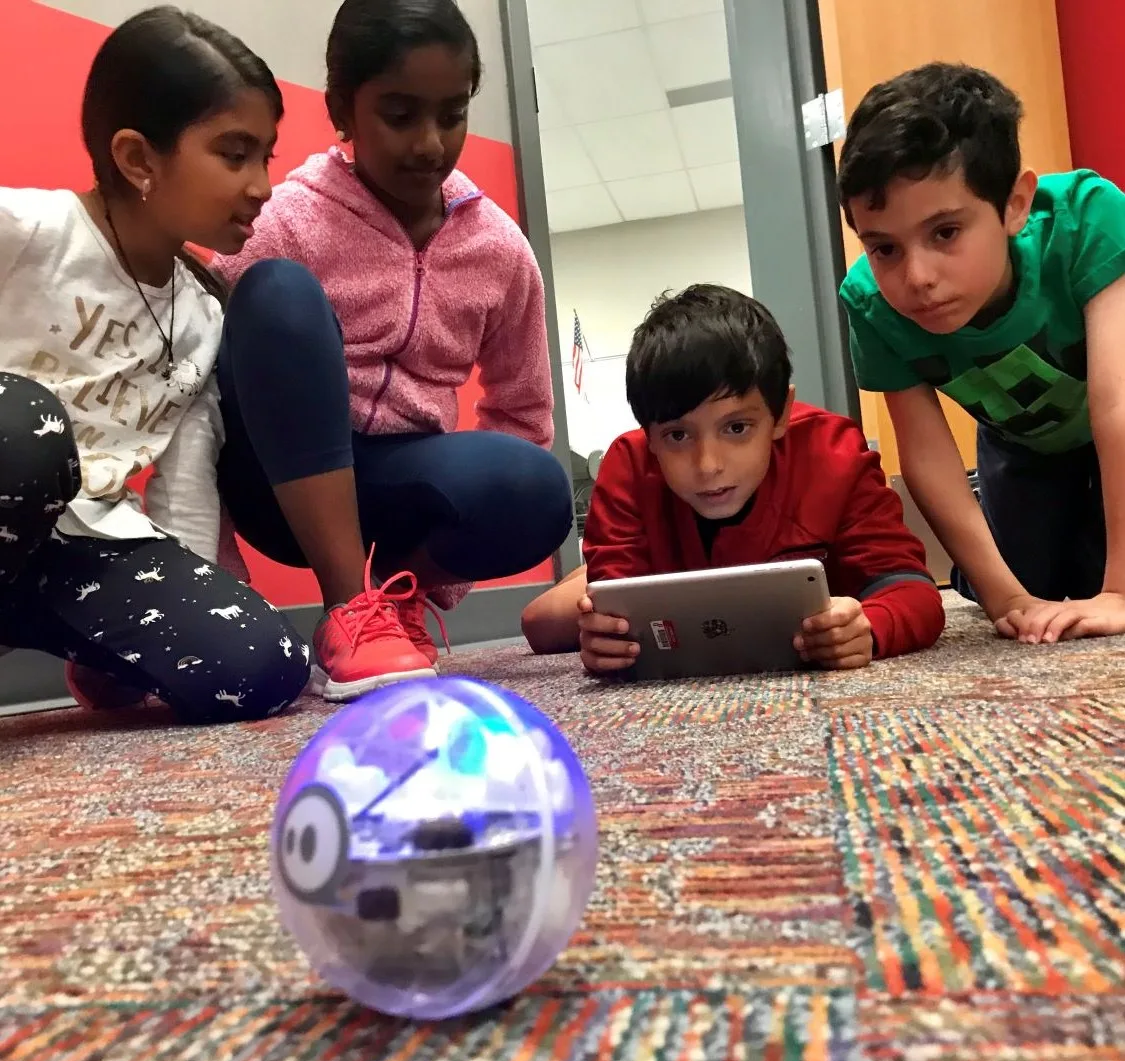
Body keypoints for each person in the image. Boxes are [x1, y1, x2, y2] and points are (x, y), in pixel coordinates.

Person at [209, 0, 573, 702]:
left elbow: (522, 411)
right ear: (344, 112)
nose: (431, 143)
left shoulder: (500, 252)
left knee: (537, 486)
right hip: (277, 484)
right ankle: (350, 603)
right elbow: (194, 390)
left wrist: (433, 586)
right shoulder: (284, 220)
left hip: (402, 484)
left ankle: (388, 602)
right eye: (400, 116)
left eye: (452, 113)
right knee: (277, 290)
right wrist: (218, 565)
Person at [0, 6, 309, 724]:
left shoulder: (204, 316)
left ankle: (97, 655)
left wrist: (187, 589)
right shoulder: (28, 231)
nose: (262, 183)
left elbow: (185, 486)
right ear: (139, 158)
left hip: (76, 549)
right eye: (235, 155)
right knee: (28, 428)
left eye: (266, 155)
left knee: (264, 666)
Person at [837, 62, 1125, 646]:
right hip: (1021, 444)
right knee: (1027, 580)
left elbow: (1116, 404)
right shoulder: (871, 302)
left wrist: (1120, 591)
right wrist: (1008, 598)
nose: (917, 278)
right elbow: (926, 455)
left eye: (945, 232)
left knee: (1100, 573)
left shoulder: (1090, 218)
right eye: (885, 248)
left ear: (1015, 204)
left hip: (1113, 422)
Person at [521, 285, 945, 674]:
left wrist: (870, 628)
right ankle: (582, 577)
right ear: (648, 435)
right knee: (540, 624)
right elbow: (616, 616)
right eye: (677, 435)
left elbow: (913, 591)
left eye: (737, 428)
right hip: (660, 559)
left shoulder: (833, 452)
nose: (708, 466)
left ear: (780, 414)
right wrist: (605, 639)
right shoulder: (628, 464)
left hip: (689, 561)